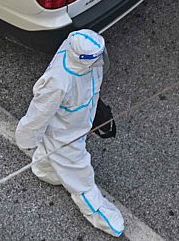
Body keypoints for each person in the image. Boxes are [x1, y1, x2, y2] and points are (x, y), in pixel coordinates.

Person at [15, 29, 124, 237]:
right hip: (64, 138)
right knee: (81, 179)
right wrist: (26, 138)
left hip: (75, 124)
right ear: (84, 59)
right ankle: (104, 218)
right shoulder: (58, 82)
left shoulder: (81, 56)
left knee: (49, 158)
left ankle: (44, 170)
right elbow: (38, 113)